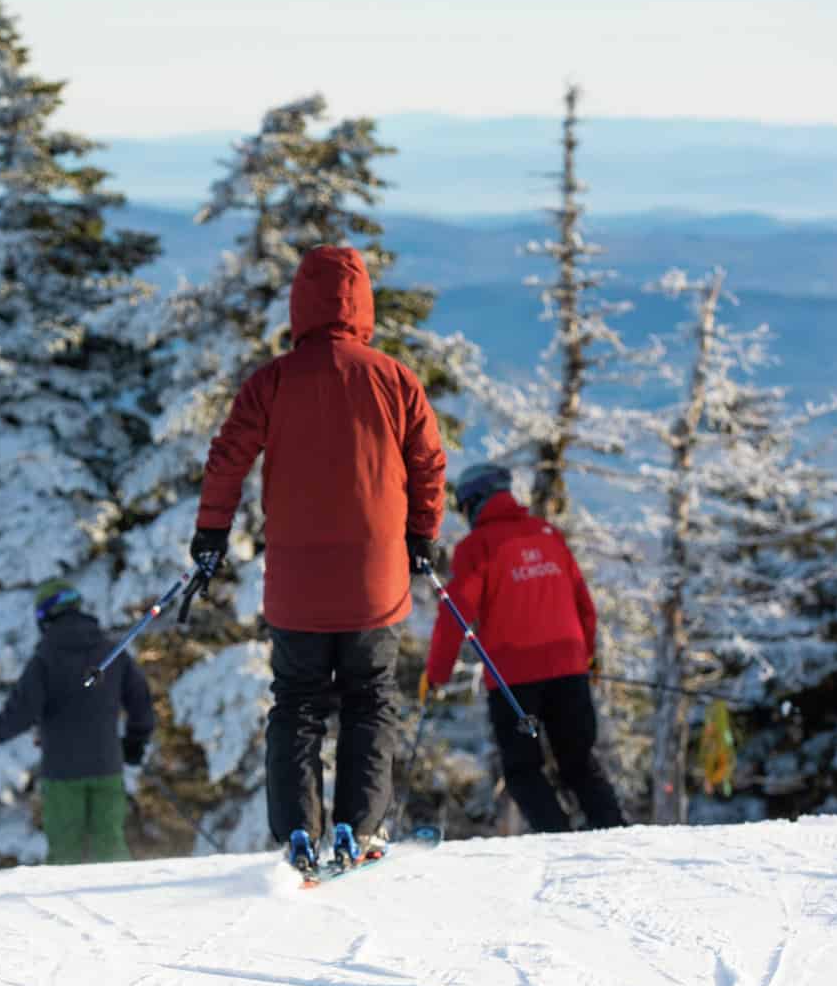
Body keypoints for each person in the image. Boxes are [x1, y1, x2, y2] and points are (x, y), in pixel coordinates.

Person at [191, 246, 447, 874]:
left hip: (297, 583)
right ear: (363, 302)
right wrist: (422, 535)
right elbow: (429, 463)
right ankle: (357, 829)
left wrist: (212, 534)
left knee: (298, 703)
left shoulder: (273, 379)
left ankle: (298, 835)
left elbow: (227, 456)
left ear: (300, 303)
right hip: (374, 581)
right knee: (370, 699)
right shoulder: (393, 378)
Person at [422, 463, 626, 833]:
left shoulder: (476, 547)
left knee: (522, 771)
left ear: (473, 503)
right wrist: (588, 656)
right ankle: (616, 835)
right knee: (579, 763)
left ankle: (559, 839)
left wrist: (435, 675)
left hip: (512, 679)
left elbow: (454, 612)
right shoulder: (549, 535)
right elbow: (584, 605)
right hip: (569, 668)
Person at [0, 580, 153, 866]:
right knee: (110, 846)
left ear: (46, 617)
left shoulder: (45, 658)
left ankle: (66, 908)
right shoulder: (112, 651)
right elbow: (141, 699)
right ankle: (119, 906)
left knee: (66, 852)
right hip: (107, 766)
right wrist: (136, 740)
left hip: (63, 774)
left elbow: (20, 714)